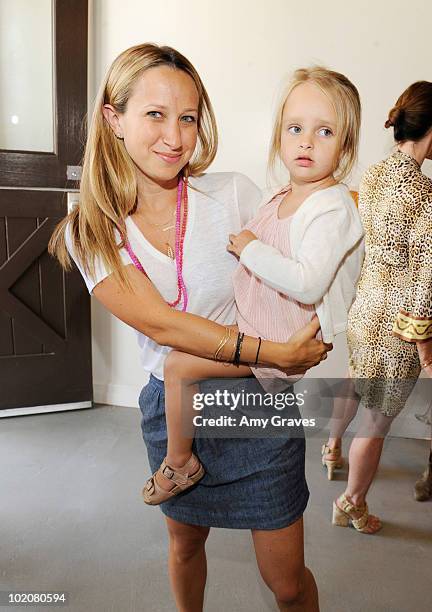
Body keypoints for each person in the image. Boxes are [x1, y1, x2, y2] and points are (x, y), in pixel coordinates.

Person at [49, 44, 331, 612]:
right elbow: (161, 323)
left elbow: (307, 271)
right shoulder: (91, 229)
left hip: (257, 403)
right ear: (114, 118)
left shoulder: (232, 195)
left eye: (188, 117)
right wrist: (271, 350)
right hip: (175, 410)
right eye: (155, 114)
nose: (175, 138)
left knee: (288, 581)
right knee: (184, 546)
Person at [145, 67, 364, 517]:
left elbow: (308, 280)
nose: (306, 141)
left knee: (177, 364)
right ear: (279, 135)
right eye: (295, 128)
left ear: (345, 146)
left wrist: (251, 249)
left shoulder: (330, 205)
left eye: (325, 131)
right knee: (190, 347)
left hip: (278, 338)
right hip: (259, 326)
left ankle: (179, 461)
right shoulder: (287, 193)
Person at [326, 81, 432, 534]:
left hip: (365, 308)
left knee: (355, 383)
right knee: (376, 421)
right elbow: (426, 280)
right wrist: (425, 346)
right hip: (398, 328)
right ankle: (352, 502)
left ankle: (331, 447)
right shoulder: (426, 196)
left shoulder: (374, 174)